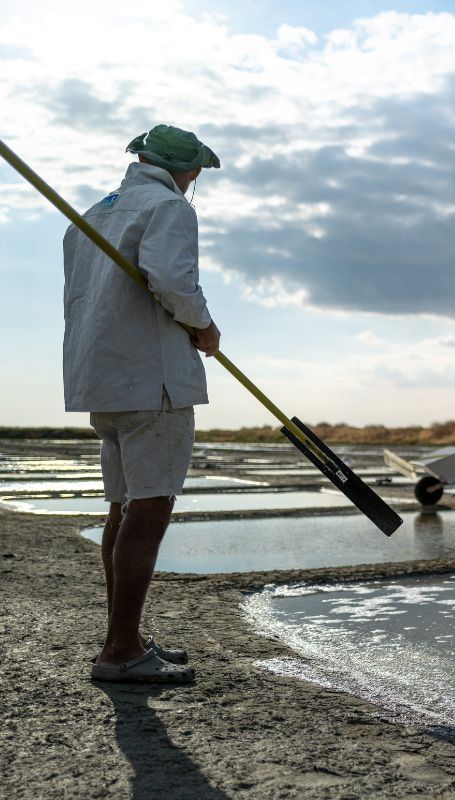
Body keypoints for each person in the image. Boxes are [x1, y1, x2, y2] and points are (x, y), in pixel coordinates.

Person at [63, 124, 221, 683]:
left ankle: (121, 638)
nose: (196, 178)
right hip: (151, 378)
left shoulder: (94, 213)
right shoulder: (168, 206)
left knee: (123, 507)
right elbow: (174, 281)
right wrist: (204, 326)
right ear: (187, 168)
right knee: (149, 509)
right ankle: (121, 651)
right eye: (197, 168)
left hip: (101, 376)